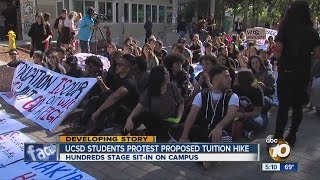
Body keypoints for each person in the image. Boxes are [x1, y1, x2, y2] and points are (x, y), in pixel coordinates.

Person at [273, 1, 320, 146]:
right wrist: (305, 58)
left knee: (284, 105)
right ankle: (292, 134)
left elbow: (278, 51)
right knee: (298, 106)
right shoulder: (312, 32)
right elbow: (318, 54)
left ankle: (278, 135)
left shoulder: (285, 29)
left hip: (286, 71)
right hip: (303, 72)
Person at [173, 66, 239, 143]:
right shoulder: (202, 94)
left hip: (221, 132)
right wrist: (184, 136)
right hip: (202, 130)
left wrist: (219, 127)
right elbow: (192, 115)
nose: (230, 79)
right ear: (216, 79)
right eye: (227, 76)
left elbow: (230, 115)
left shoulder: (232, 96)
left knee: (223, 140)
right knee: (176, 132)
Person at [124, 66, 184, 138]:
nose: (169, 74)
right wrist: (129, 118)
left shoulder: (172, 87)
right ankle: (122, 136)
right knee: (142, 115)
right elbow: (139, 106)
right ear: (159, 77)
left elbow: (181, 103)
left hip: (169, 121)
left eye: (168, 72)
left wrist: (178, 118)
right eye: (166, 73)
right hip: (154, 120)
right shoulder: (150, 90)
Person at [88, 54, 140, 135]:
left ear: (128, 68)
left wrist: (98, 112)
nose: (117, 66)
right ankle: (85, 125)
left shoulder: (129, 82)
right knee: (96, 99)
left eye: (120, 65)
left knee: (111, 107)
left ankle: (99, 131)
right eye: (117, 63)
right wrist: (102, 84)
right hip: (117, 108)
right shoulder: (117, 78)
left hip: (127, 114)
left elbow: (115, 97)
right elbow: (111, 92)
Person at [233, 69, 266, 140]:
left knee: (254, 123)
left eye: (237, 77)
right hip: (240, 114)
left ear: (243, 79)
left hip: (256, 116)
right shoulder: (235, 88)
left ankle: (242, 129)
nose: (235, 79)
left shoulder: (256, 90)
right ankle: (244, 131)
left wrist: (242, 116)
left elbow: (257, 112)